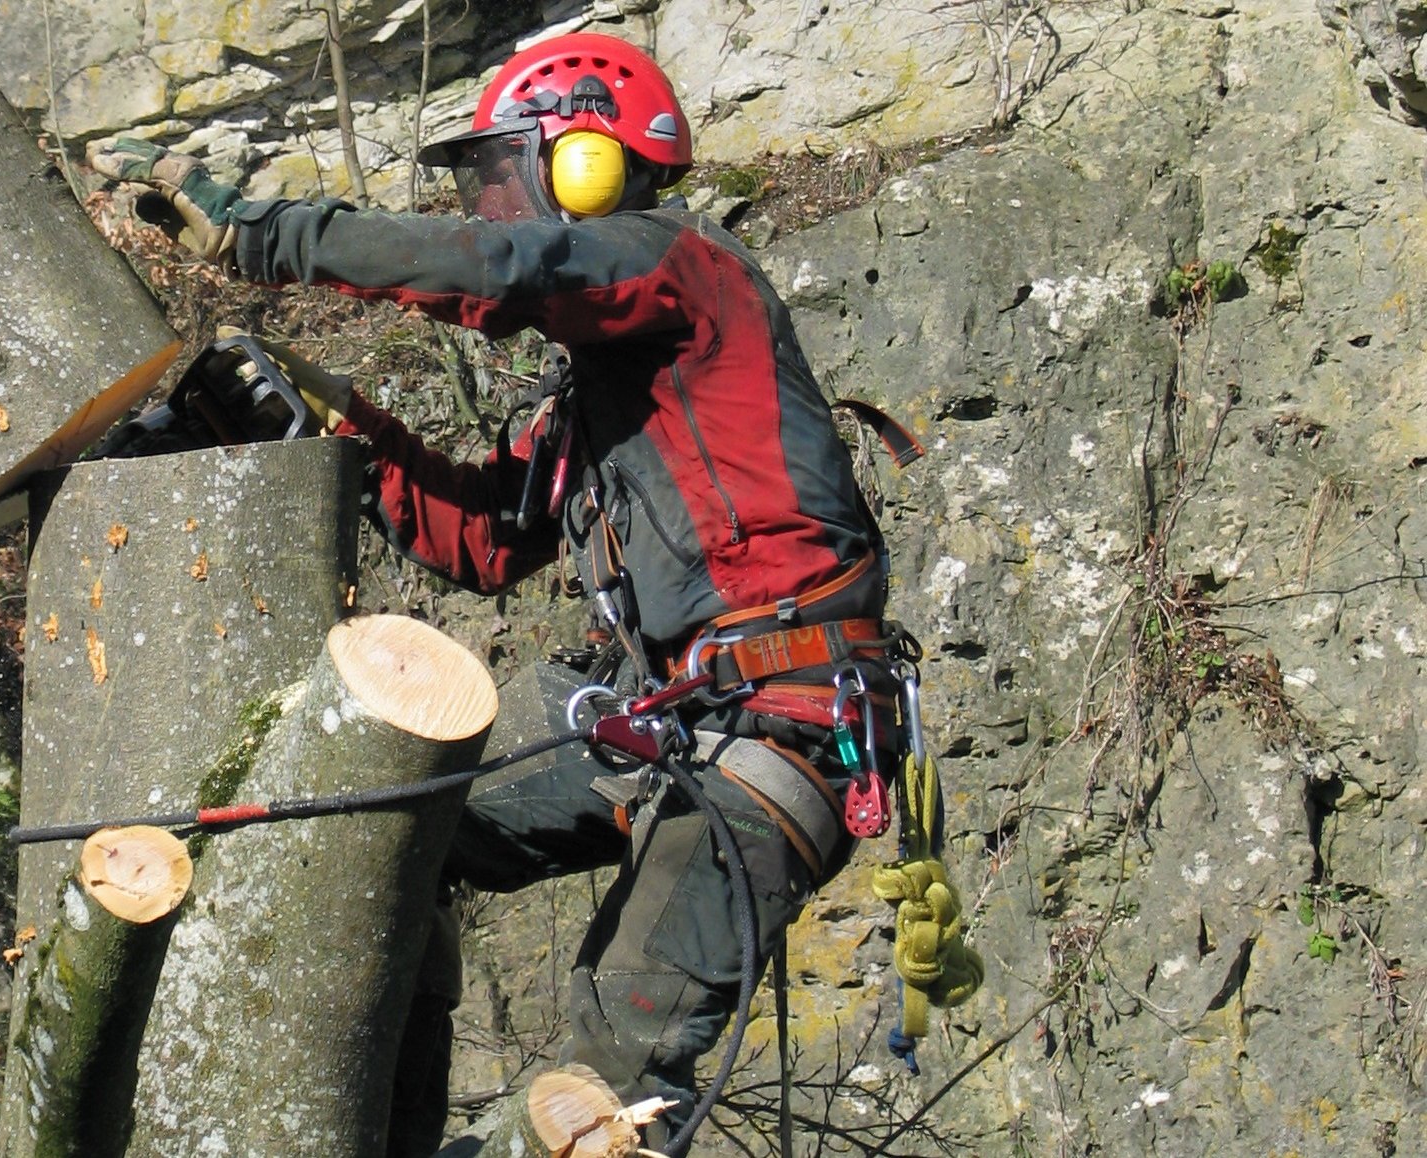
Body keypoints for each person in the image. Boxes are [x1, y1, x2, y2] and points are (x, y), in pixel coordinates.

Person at [91, 31, 919, 1155]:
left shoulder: (679, 267)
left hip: (775, 727)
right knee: (383, 817)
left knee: (604, 1085)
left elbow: (516, 270)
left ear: (585, 161)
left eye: (499, 176)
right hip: (669, 717)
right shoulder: (602, 391)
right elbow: (483, 538)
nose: (488, 210)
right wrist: (344, 430)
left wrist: (273, 237)